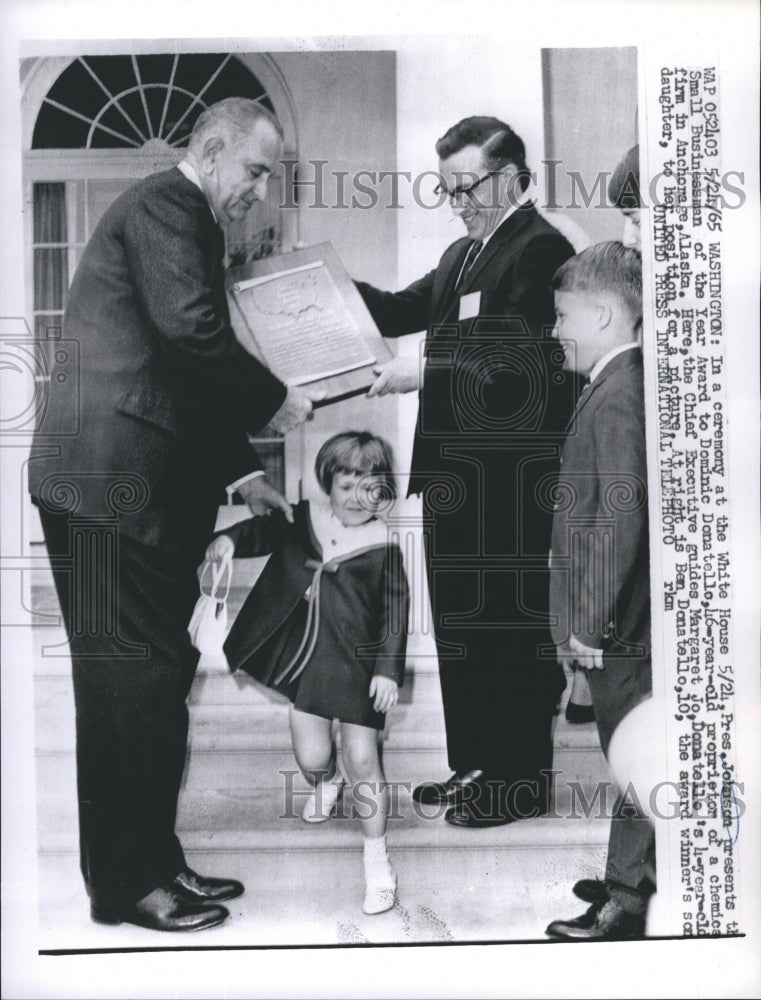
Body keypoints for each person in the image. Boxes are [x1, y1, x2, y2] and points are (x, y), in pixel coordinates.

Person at [28, 97, 322, 932]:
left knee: (151, 685)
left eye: (270, 178)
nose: (260, 192)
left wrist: (240, 472)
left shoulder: (178, 216)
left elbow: (177, 369)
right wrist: (278, 399)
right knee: (130, 690)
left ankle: (154, 863)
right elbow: (193, 337)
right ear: (212, 148)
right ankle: (125, 886)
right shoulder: (169, 205)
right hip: (105, 492)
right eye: (256, 171)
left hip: (118, 491)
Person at [358, 116, 577, 827]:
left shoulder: (540, 246)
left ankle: (518, 782)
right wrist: (317, 285)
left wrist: (423, 364)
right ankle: (477, 764)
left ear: (513, 175)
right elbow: (396, 310)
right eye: (447, 189)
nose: (458, 201)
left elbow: (517, 353)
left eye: (469, 185)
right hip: (453, 478)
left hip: (508, 483)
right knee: (462, 630)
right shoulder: (461, 255)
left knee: (506, 631)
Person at [206, 432, 409, 915]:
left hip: (361, 670)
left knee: (365, 760)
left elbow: (396, 614)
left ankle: (377, 858)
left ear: (385, 491)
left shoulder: (385, 548)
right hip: (307, 663)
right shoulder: (304, 520)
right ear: (327, 486)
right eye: (345, 487)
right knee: (313, 755)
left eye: (370, 488)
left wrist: (388, 672)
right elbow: (261, 532)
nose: (357, 499)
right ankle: (327, 780)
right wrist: (228, 541)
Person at [545, 241, 654, 940]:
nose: (554, 332)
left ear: (607, 315)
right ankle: (626, 872)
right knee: (625, 753)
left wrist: (585, 619)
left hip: (619, 625)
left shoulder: (618, 393)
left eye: (562, 317)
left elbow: (618, 516)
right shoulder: (616, 381)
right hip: (619, 618)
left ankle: (626, 898)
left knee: (632, 754)